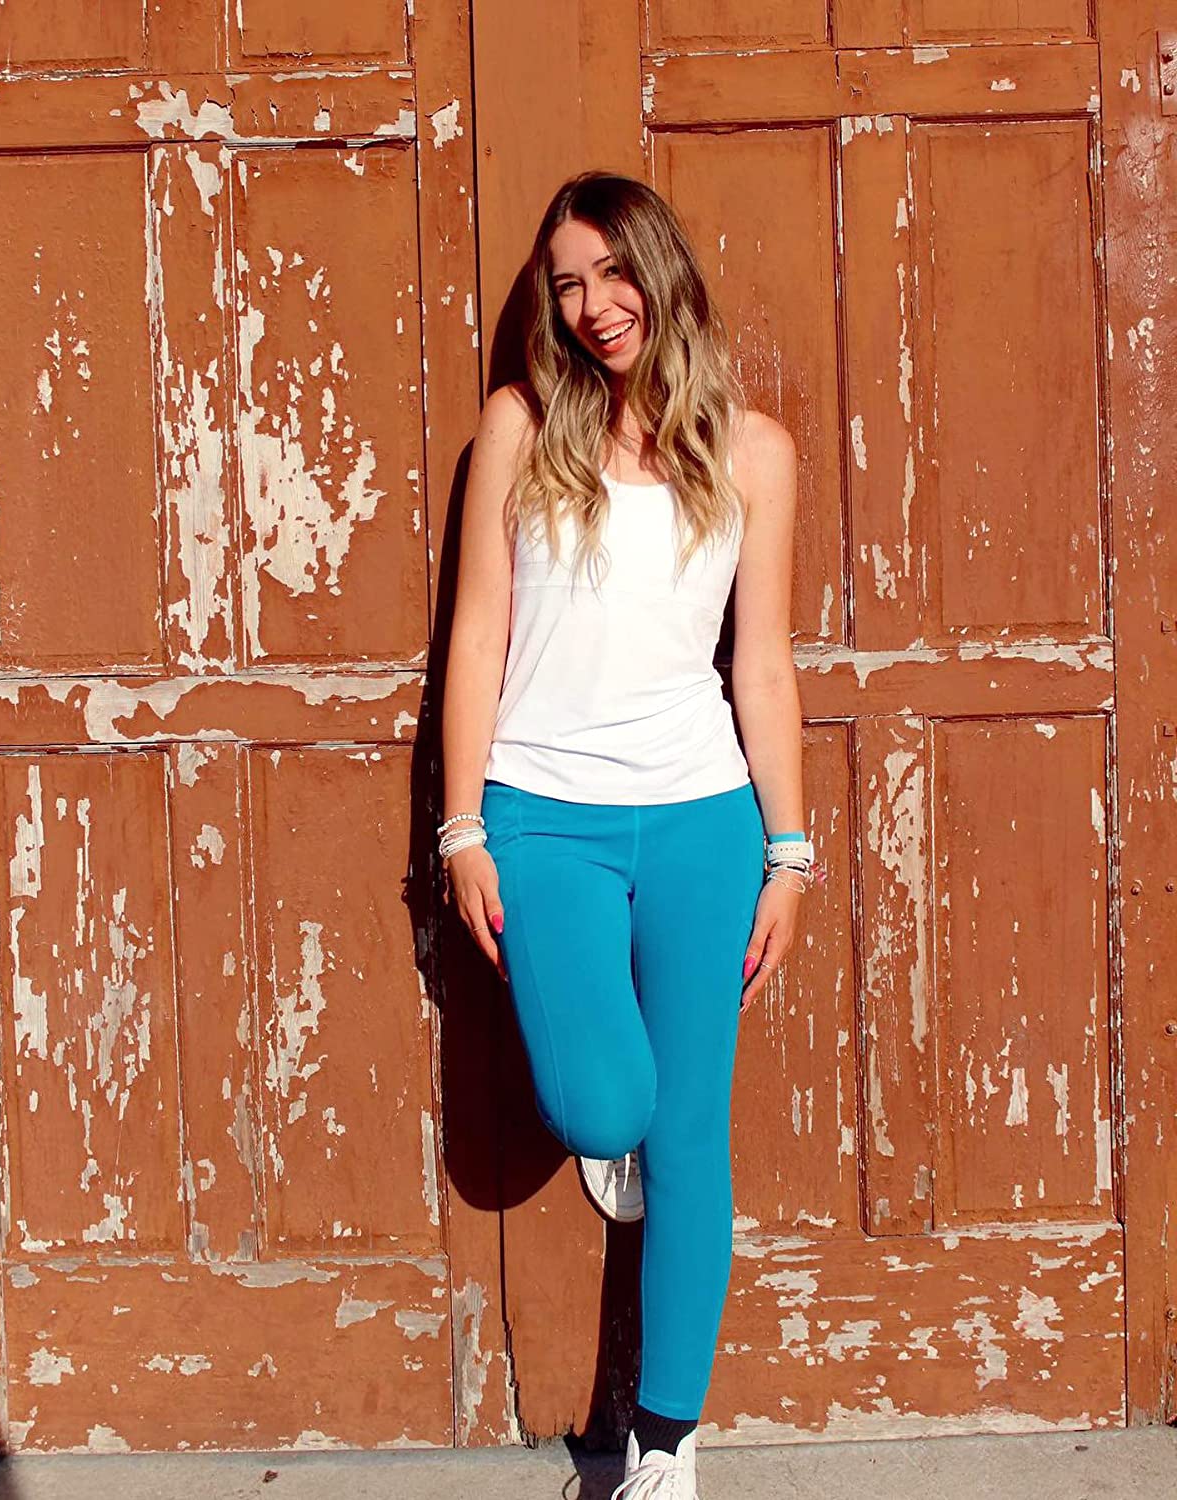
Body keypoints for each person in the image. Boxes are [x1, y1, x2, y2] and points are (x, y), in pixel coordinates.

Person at [439, 169, 819, 1500]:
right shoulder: (520, 426)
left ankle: (664, 1446)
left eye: (612, 272)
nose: (594, 305)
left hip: (704, 821)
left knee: (695, 1136)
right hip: (547, 822)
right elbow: (476, 635)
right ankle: (625, 1136)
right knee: (608, 1103)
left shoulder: (754, 452)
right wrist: (462, 832)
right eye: (568, 283)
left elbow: (760, 663)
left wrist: (788, 854)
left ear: (661, 271)